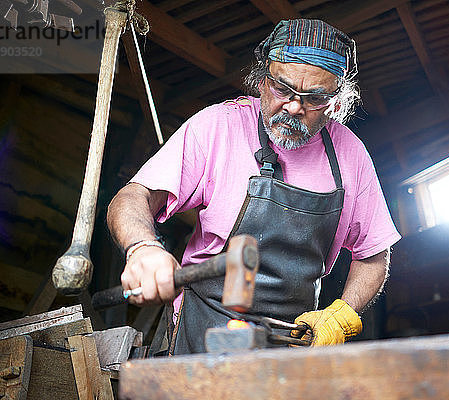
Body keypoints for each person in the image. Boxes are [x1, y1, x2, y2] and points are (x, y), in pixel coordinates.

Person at [107, 19, 401, 354]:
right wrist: (143, 248)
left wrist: (343, 312)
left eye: (314, 98)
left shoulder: (351, 155)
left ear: (336, 101)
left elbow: (374, 254)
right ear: (262, 80)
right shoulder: (220, 127)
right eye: (283, 89)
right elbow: (134, 195)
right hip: (203, 328)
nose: (293, 107)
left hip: (291, 340)